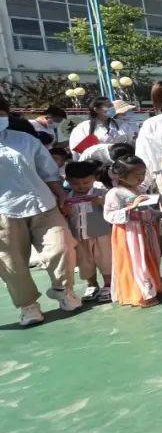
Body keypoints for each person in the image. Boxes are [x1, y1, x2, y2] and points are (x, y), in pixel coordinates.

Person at [0, 94, 80, 326]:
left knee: (62, 246)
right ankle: (28, 306)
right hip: (5, 211)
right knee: (11, 262)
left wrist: (62, 194)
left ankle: (62, 289)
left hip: (43, 203)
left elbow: (47, 171)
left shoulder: (25, 140)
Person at [102, 156, 162, 307]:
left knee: (148, 258)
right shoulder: (114, 193)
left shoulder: (139, 189)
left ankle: (151, 288)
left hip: (145, 229)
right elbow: (109, 215)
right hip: (129, 233)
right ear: (122, 176)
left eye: (143, 174)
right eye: (137, 175)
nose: (141, 178)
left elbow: (147, 209)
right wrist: (132, 207)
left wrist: (156, 213)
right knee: (136, 261)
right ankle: (141, 294)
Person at [63, 161, 113, 304]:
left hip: (102, 234)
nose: (81, 186)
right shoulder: (66, 197)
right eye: (76, 183)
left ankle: (108, 284)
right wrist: (65, 210)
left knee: (105, 259)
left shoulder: (102, 194)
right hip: (78, 237)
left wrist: (101, 202)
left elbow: (112, 210)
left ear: (94, 178)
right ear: (68, 181)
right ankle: (92, 285)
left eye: (86, 182)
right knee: (85, 263)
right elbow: (64, 215)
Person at [68, 97, 138, 161]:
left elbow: (131, 142)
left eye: (112, 105)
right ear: (96, 109)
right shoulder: (83, 127)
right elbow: (77, 151)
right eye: (108, 106)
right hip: (96, 166)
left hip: (120, 165)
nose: (112, 108)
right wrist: (107, 148)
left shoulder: (122, 124)